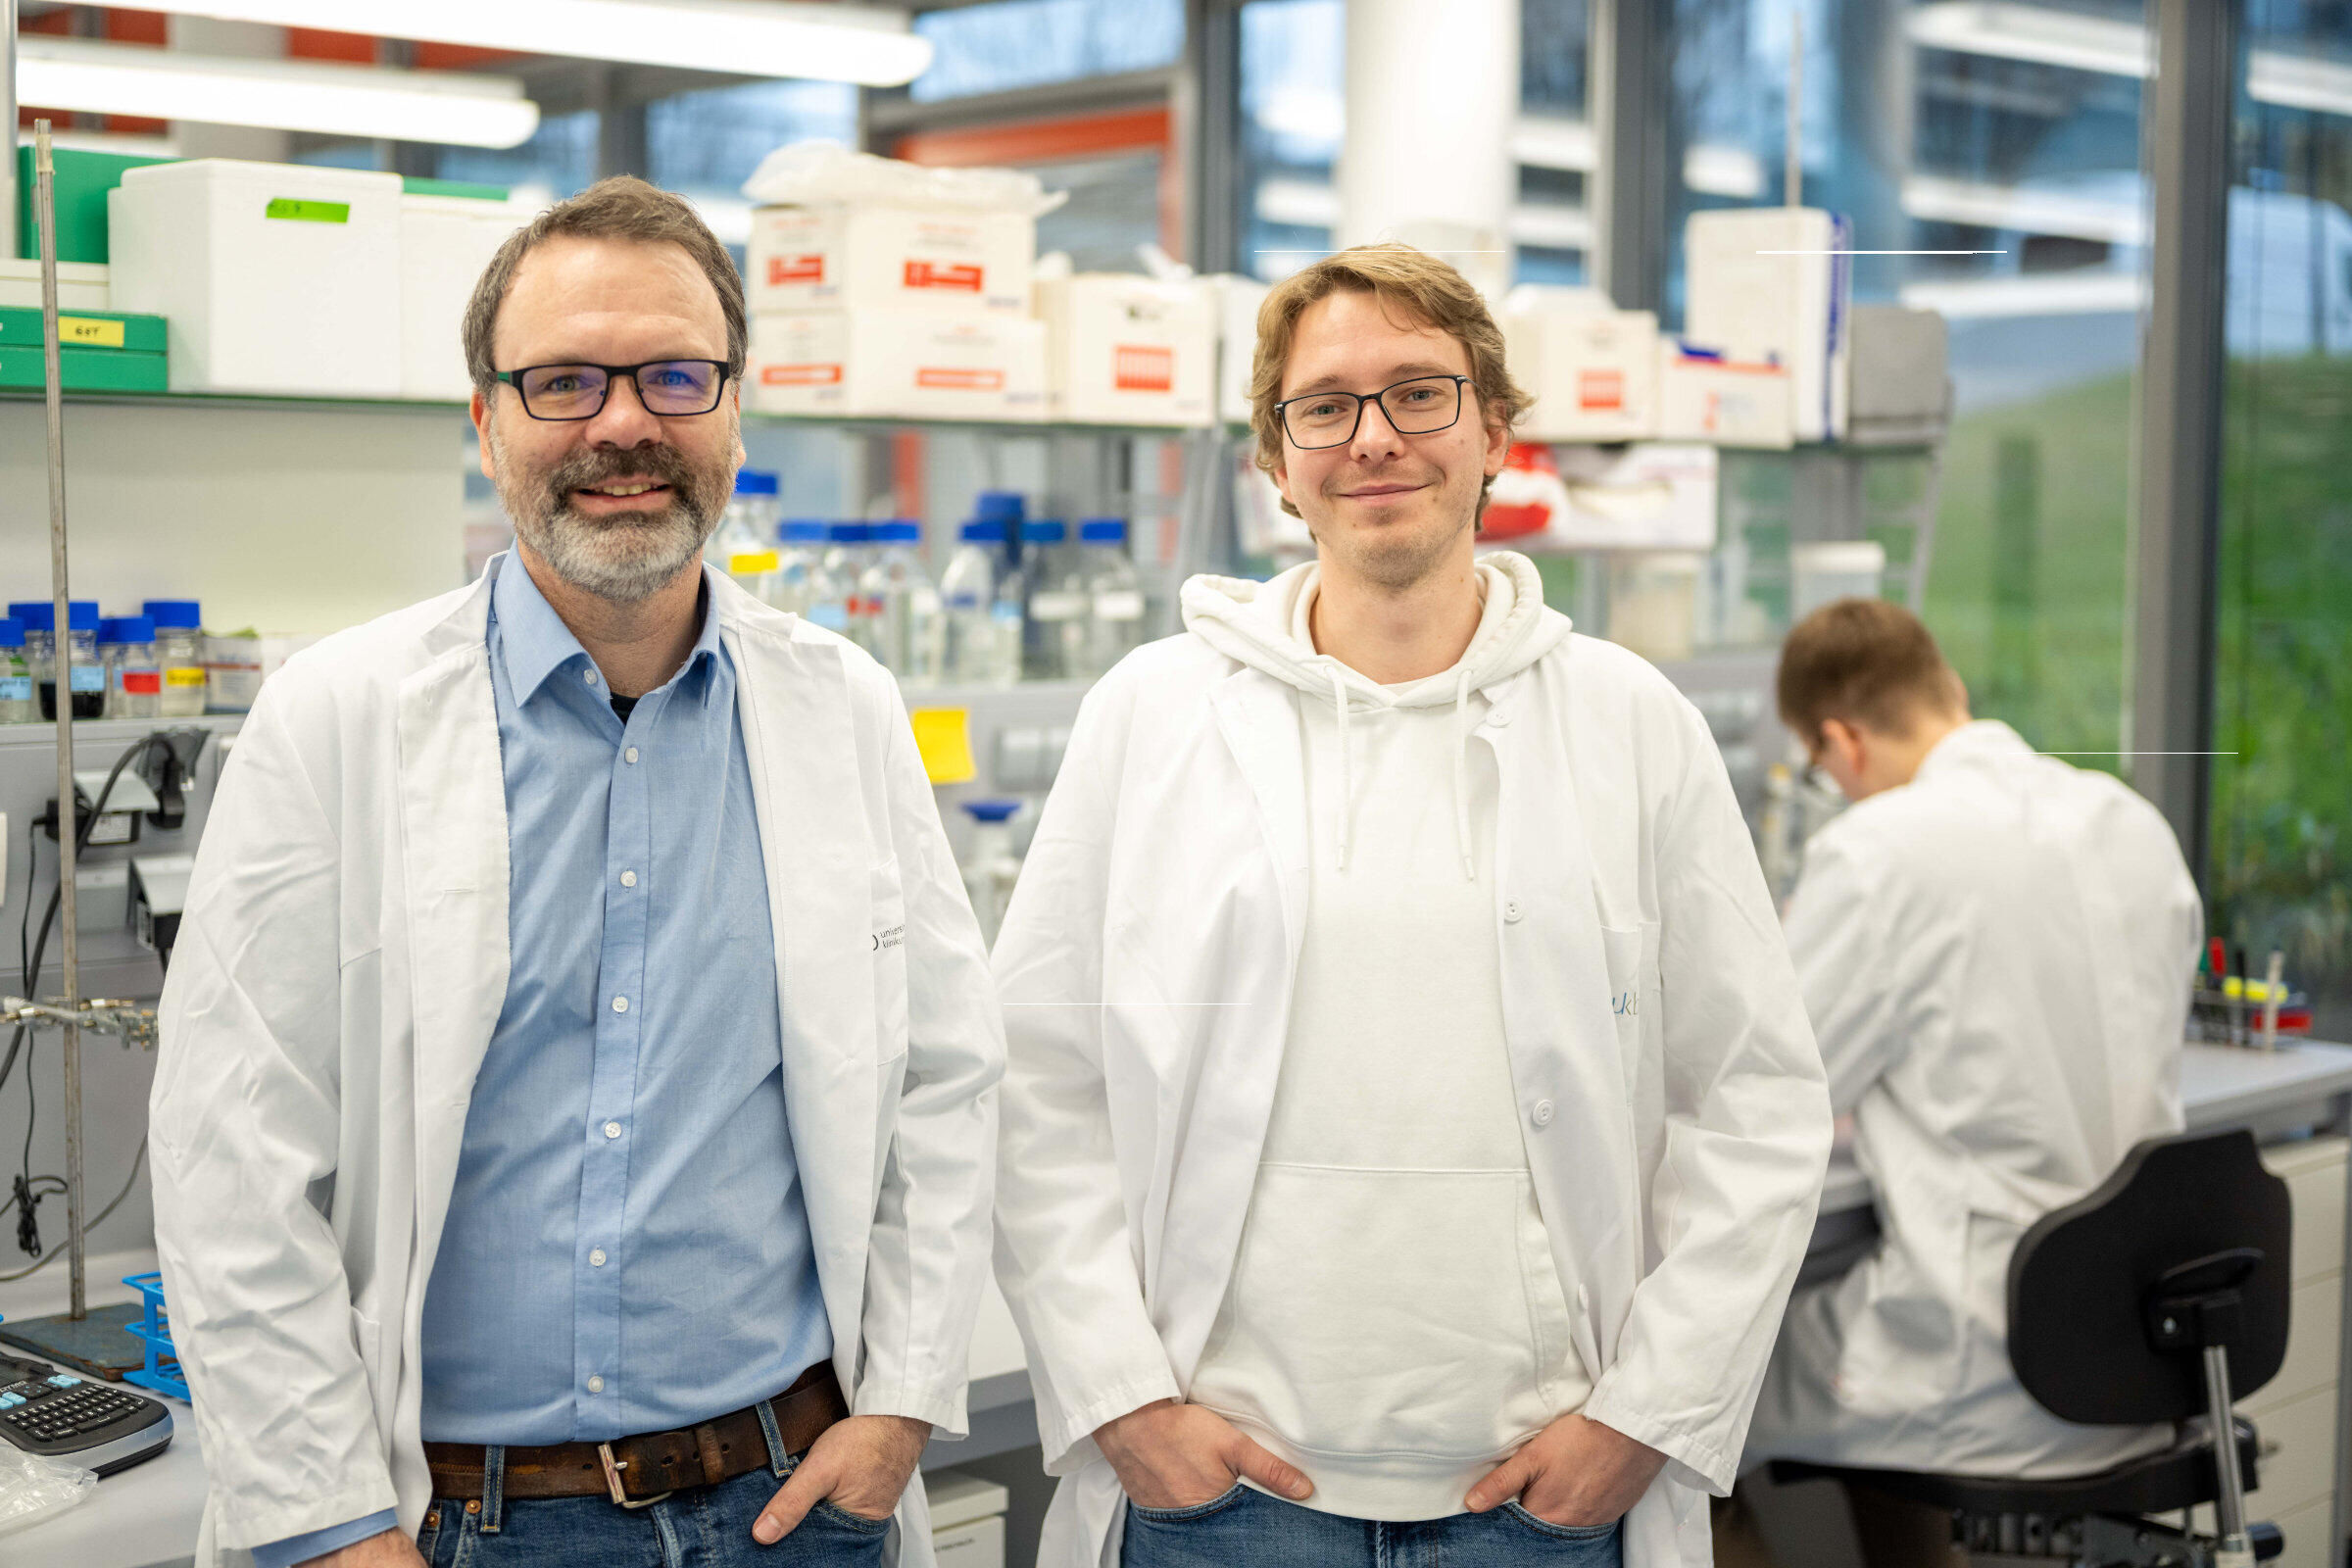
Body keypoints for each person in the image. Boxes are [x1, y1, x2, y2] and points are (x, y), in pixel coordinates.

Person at [147, 177, 1003, 1568]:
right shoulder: (339, 714)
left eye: (674, 375)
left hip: (791, 1503)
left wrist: (899, 1404)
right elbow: (231, 1155)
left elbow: (946, 1083)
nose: (622, 424)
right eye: (562, 381)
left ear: (733, 409)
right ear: (487, 422)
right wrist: (328, 1528)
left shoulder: (839, 702)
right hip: (457, 1524)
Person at [989, 242, 1834, 1568]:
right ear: (1275, 462)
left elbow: (1757, 1101)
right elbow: (1038, 1082)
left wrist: (1646, 1417)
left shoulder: (1629, 725)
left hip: (1540, 1499)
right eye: (1324, 407)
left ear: (1496, 431)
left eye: (1420, 395)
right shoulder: (1149, 716)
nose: (1373, 439)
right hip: (1224, 1498)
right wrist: (1125, 1402)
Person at [1736, 598, 2203, 1562]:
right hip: (2145, 1346)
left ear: (1839, 741)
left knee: (1681, 1414)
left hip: (1989, 1360)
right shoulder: (2132, 822)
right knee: (1836, 1381)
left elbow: (1770, 1081)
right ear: (1948, 690)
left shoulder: (1882, 851)